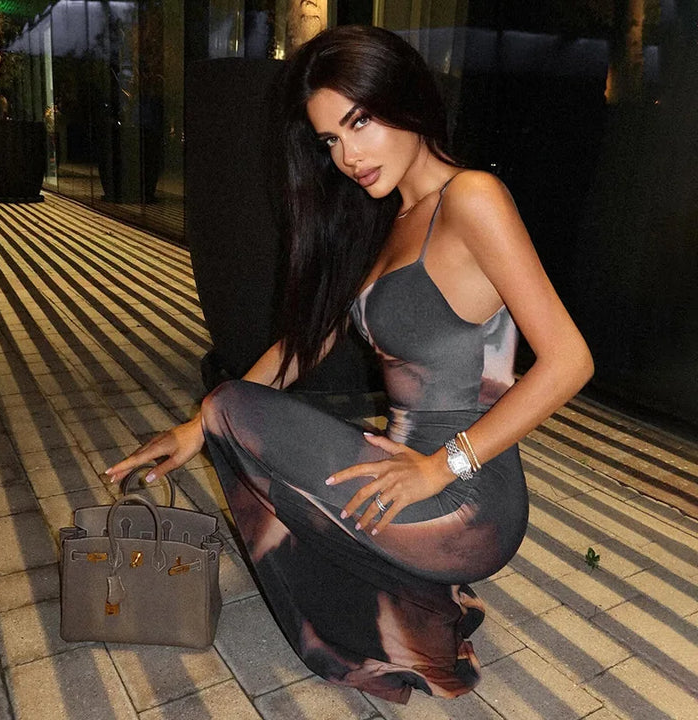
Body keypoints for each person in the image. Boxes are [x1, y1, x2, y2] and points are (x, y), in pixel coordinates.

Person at [104, 25, 593, 703]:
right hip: (408, 470)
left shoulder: (473, 198)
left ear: (406, 100)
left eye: (359, 122)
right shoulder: (393, 217)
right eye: (330, 139)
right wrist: (196, 431)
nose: (348, 155)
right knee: (229, 411)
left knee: (231, 408)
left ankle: (413, 595)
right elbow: (308, 343)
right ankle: (416, 599)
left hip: (467, 496)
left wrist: (438, 467)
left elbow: (570, 361)